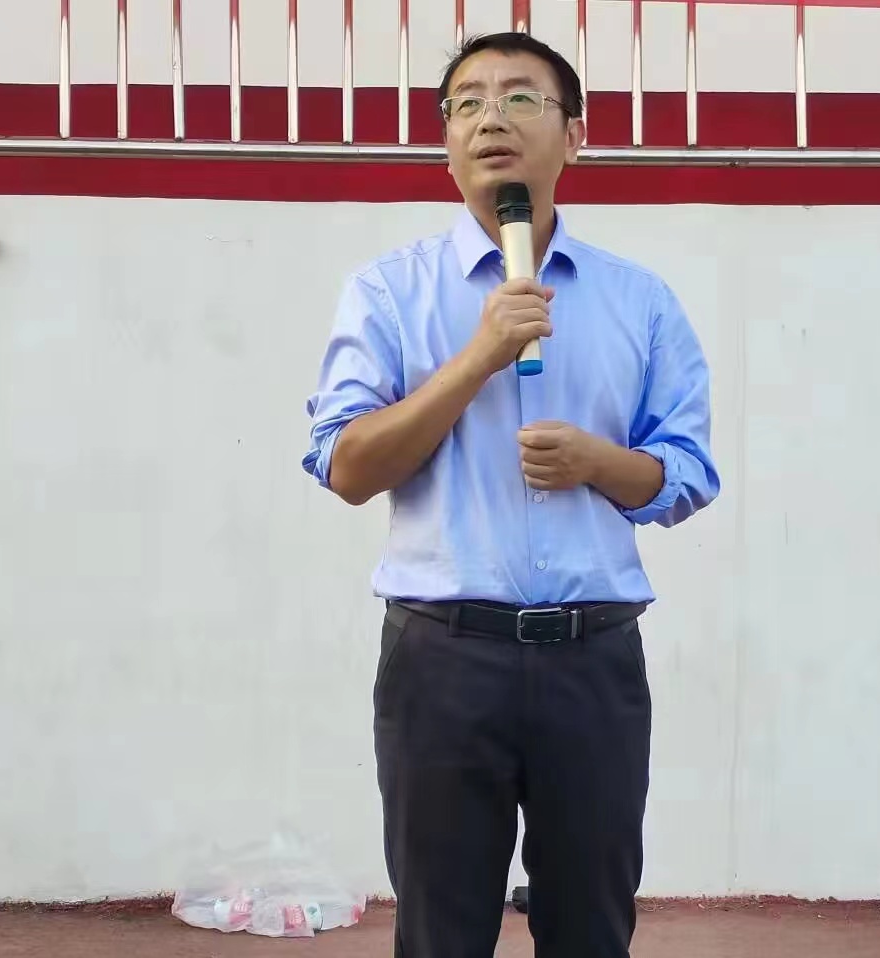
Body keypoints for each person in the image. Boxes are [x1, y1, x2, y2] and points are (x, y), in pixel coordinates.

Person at [301, 30, 720, 958]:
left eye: (521, 97)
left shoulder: (639, 301)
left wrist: (598, 463)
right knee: (441, 935)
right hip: (444, 659)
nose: (491, 117)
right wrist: (479, 356)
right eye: (468, 103)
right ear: (447, 145)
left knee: (591, 929)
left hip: (593, 659)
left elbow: (688, 473)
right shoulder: (388, 294)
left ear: (576, 136)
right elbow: (347, 467)